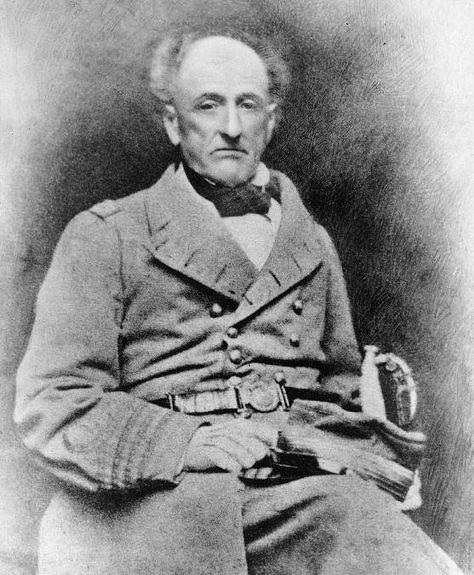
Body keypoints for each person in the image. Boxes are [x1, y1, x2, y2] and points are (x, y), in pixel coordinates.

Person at [15, 28, 462, 575]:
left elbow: (338, 388)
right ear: (173, 123)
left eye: (247, 104)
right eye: (208, 105)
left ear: (269, 122)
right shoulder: (107, 235)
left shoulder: (311, 243)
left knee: (370, 531)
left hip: (297, 481)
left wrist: (352, 444)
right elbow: (53, 400)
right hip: (161, 496)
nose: (231, 126)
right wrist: (187, 443)